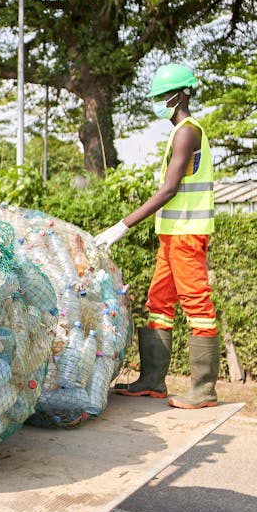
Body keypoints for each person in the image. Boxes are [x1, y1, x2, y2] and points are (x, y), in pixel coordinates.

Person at [94, 62, 219, 409]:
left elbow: (169, 190)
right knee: (159, 302)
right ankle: (153, 380)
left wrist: (122, 226)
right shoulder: (180, 133)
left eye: (164, 95)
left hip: (187, 235)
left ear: (181, 95)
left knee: (197, 305)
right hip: (172, 236)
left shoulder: (187, 132)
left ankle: (204, 389)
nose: (159, 101)